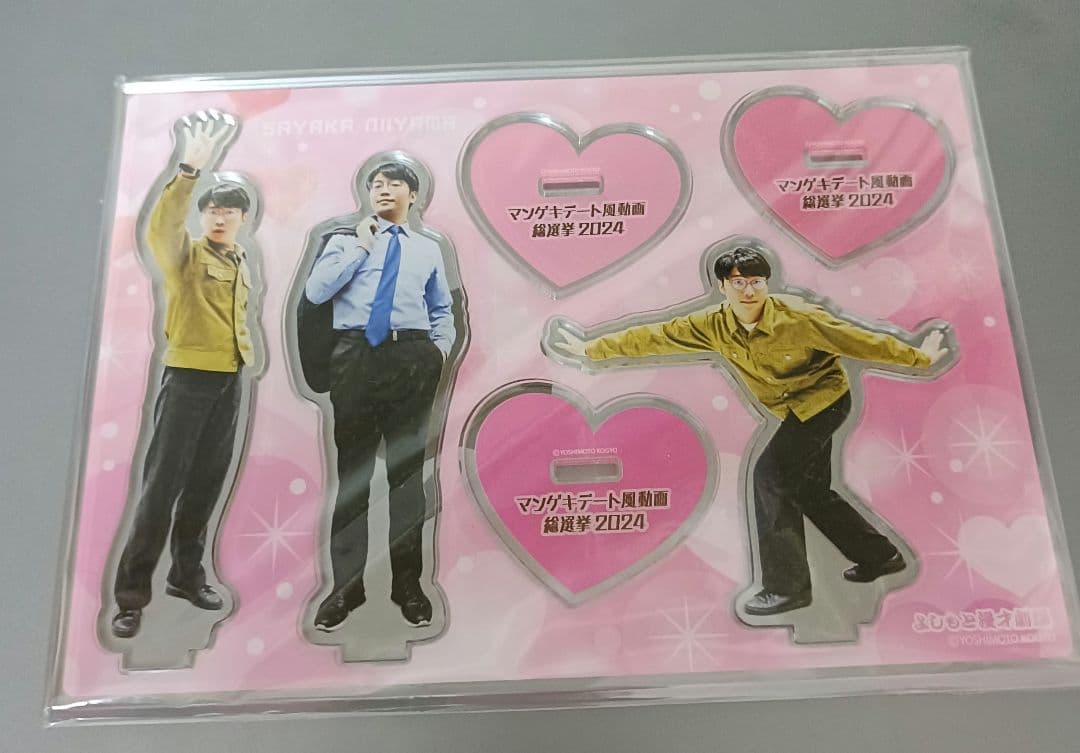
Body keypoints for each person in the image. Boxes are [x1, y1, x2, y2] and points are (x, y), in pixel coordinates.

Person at [549, 246, 949, 616]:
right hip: (791, 410)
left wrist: (918, 356)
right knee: (809, 490)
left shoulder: (798, 318)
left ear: (766, 283)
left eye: (756, 281)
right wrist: (589, 349)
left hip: (824, 403)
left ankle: (787, 588)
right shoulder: (713, 325)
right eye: (739, 282)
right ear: (722, 287)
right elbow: (656, 336)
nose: (748, 290)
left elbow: (858, 340)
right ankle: (881, 557)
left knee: (769, 477)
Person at [110, 111, 260, 638]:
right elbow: (163, 226)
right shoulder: (185, 256)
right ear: (202, 215)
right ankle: (131, 596)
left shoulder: (240, 259)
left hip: (229, 381)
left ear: (243, 219)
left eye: (230, 210)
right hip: (188, 381)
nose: (220, 216)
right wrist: (189, 170)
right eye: (213, 209)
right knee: (161, 489)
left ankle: (186, 575)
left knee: (204, 485)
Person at [303, 161, 455, 631]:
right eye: (376, 184)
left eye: (394, 184)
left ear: (414, 196)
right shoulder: (343, 241)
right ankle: (345, 589)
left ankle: (408, 587)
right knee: (353, 479)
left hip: (410, 358)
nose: (383, 189)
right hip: (356, 360)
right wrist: (362, 244)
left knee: (406, 480)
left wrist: (437, 354)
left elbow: (441, 308)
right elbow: (316, 291)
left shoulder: (428, 249)